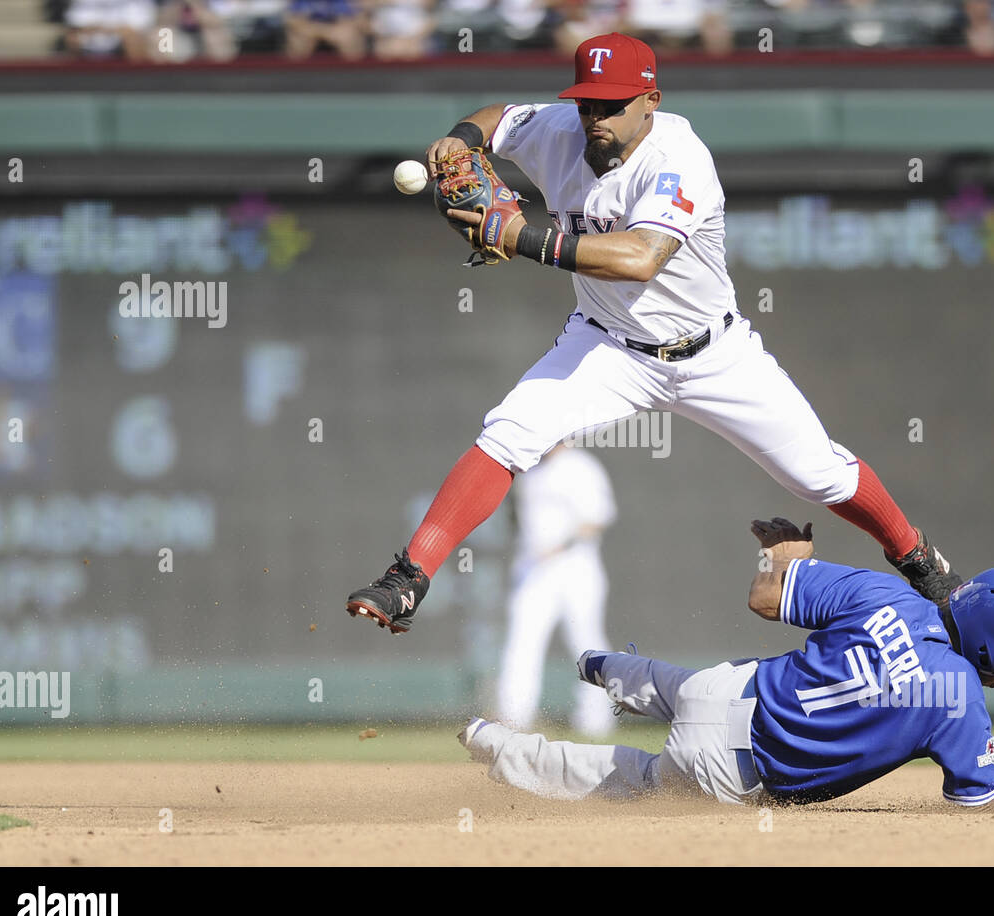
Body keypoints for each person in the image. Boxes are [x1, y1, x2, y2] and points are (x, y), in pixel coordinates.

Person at [346, 32, 962, 638]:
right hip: (608, 344)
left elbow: (639, 257)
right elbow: (499, 117)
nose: (596, 117)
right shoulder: (563, 127)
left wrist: (521, 238)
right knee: (509, 433)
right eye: (588, 101)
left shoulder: (679, 157)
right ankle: (407, 579)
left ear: (651, 101)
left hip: (713, 352)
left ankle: (917, 559)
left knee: (819, 475)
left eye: (613, 104)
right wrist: (460, 140)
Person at [457, 517, 994, 808]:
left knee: (686, 689)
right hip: (729, 768)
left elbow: (764, 596)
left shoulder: (887, 594)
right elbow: (986, 801)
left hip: (728, 690)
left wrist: (780, 556)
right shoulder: (958, 699)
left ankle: (599, 664)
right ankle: (494, 743)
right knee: (632, 781)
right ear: (987, 648)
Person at [496, 442, 618, 737]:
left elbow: (597, 518)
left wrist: (558, 547)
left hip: (576, 567)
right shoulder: (528, 469)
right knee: (521, 643)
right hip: (533, 571)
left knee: (586, 643)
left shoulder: (581, 466)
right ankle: (513, 719)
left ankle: (596, 721)